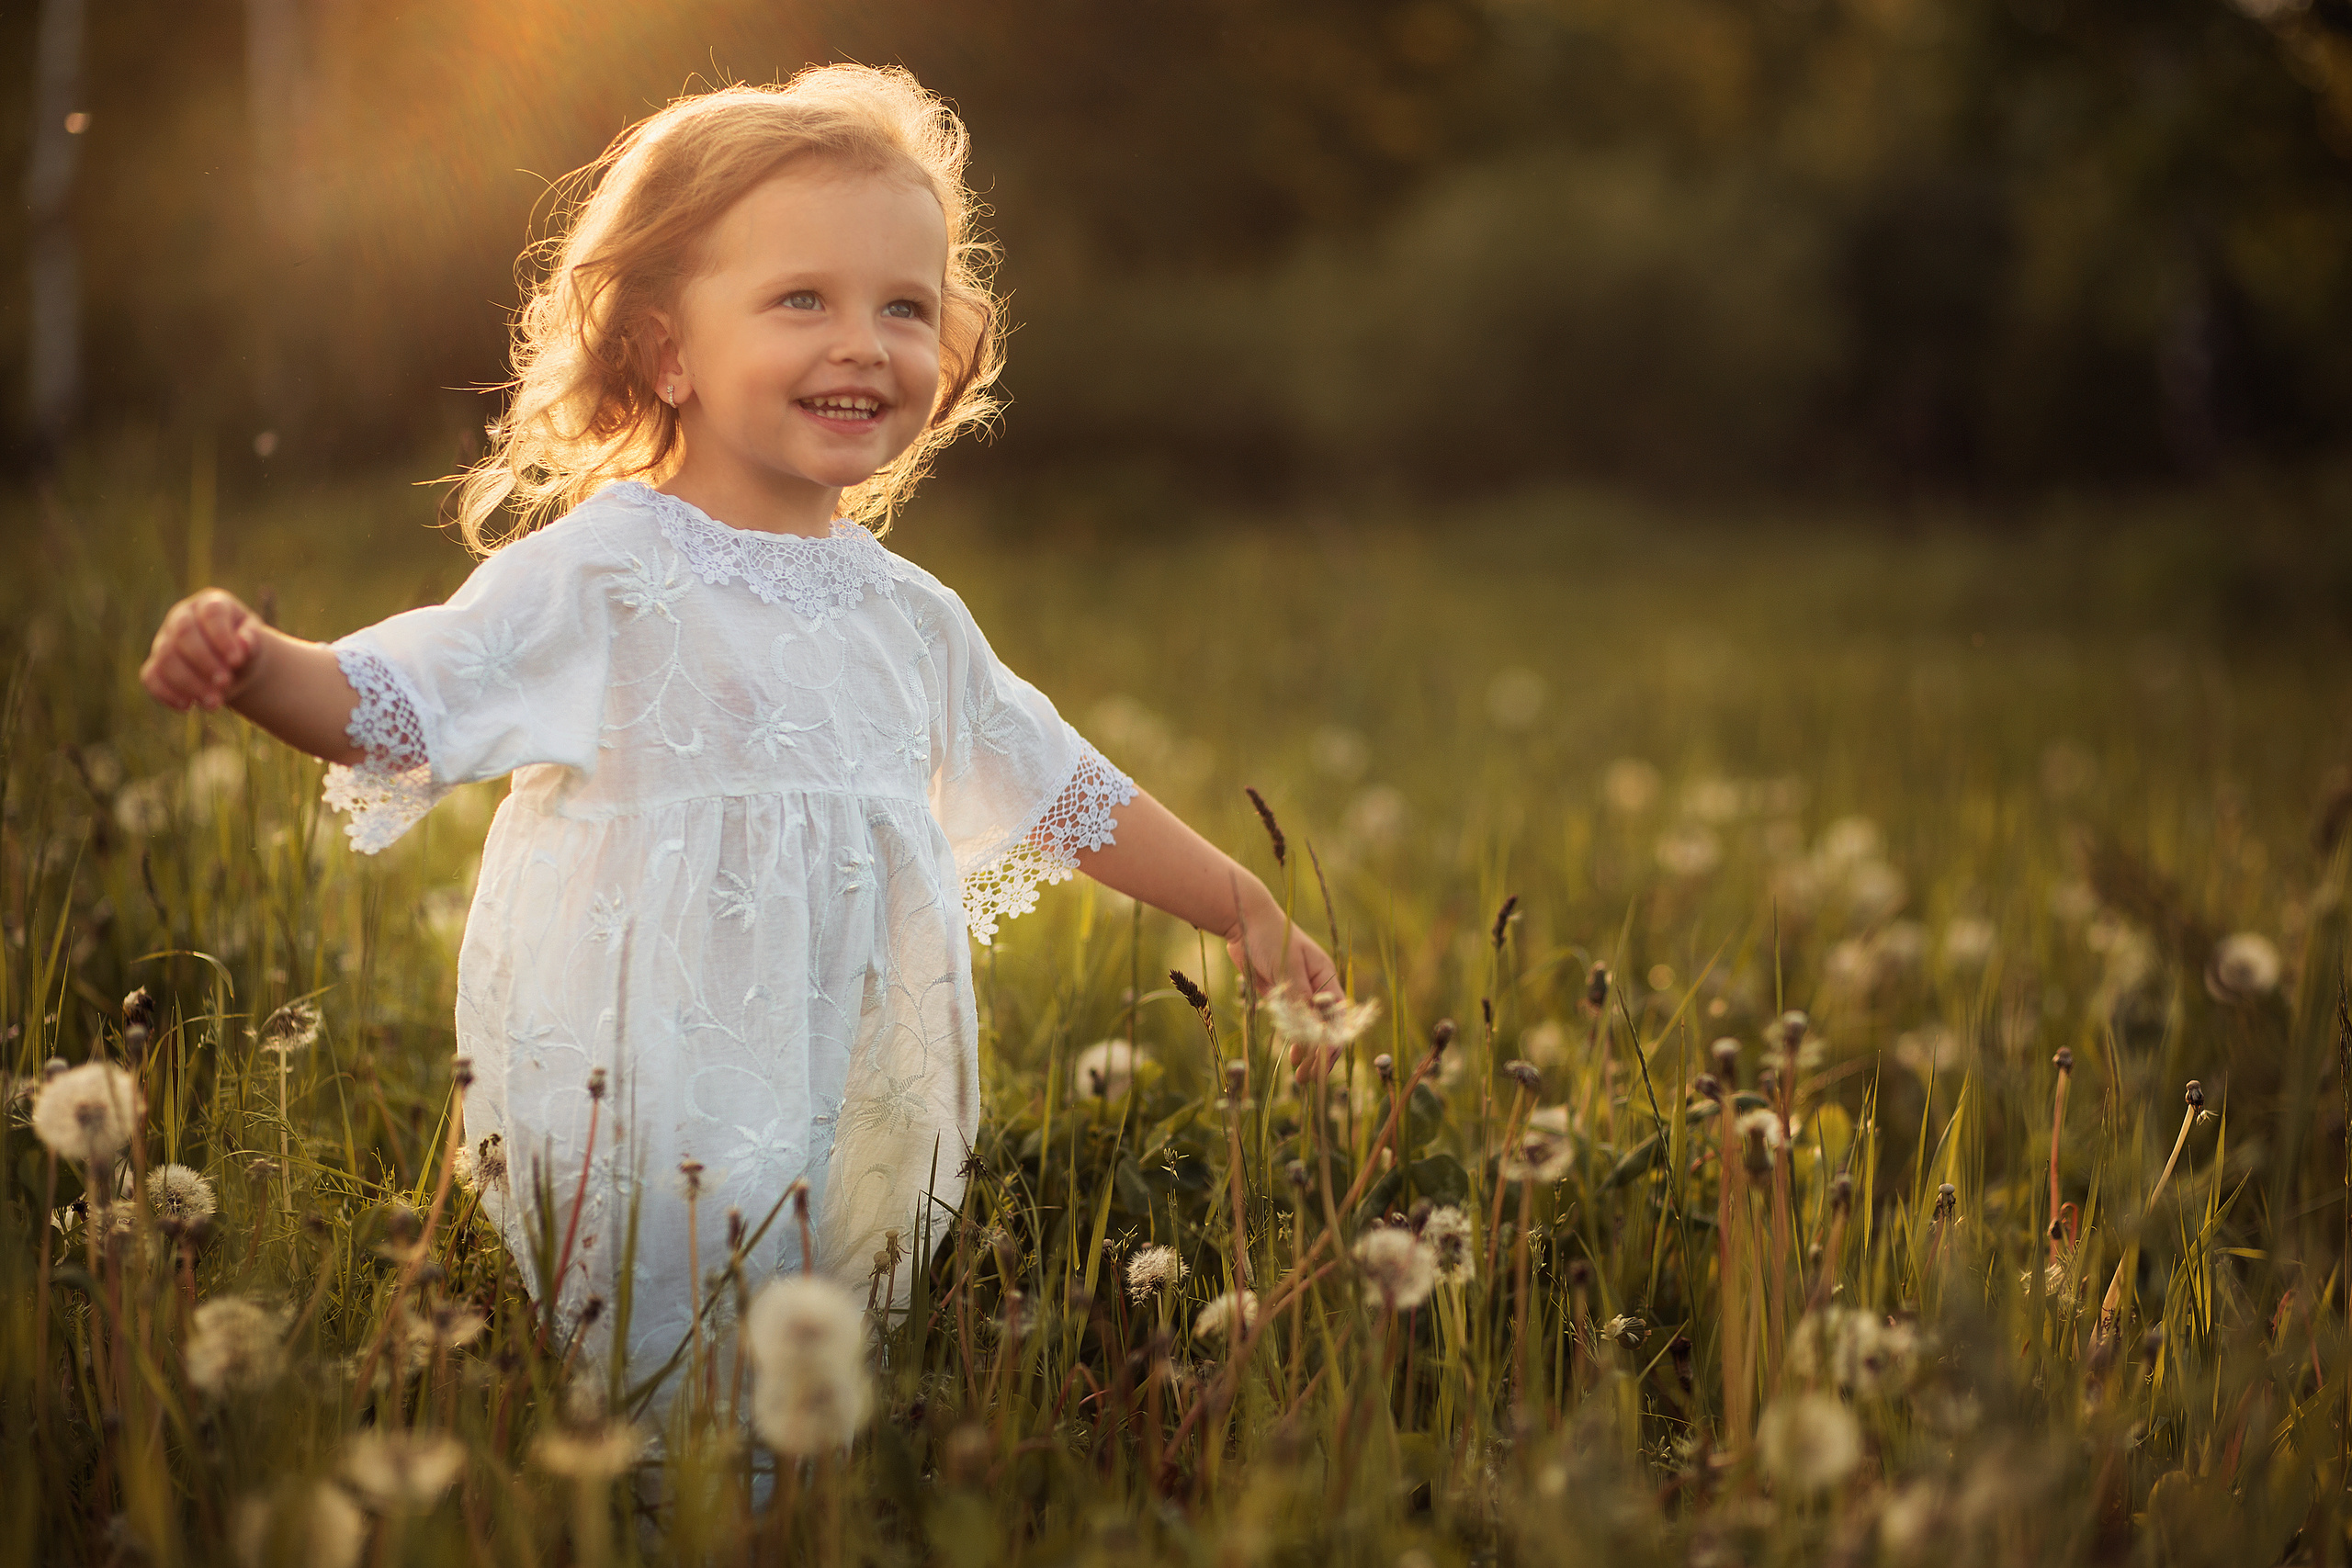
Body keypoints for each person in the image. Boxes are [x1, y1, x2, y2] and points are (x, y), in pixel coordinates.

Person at [138, 65, 1337, 1387]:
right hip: (642, 1087)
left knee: (821, 1365)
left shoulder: (912, 615)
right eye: (800, 299)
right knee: (662, 1365)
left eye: (905, 307)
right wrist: (258, 668)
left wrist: (1242, 910)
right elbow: (405, 697)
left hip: (856, 1077)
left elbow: (1063, 789)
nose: (863, 343)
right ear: (665, 352)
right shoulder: (607, 572)